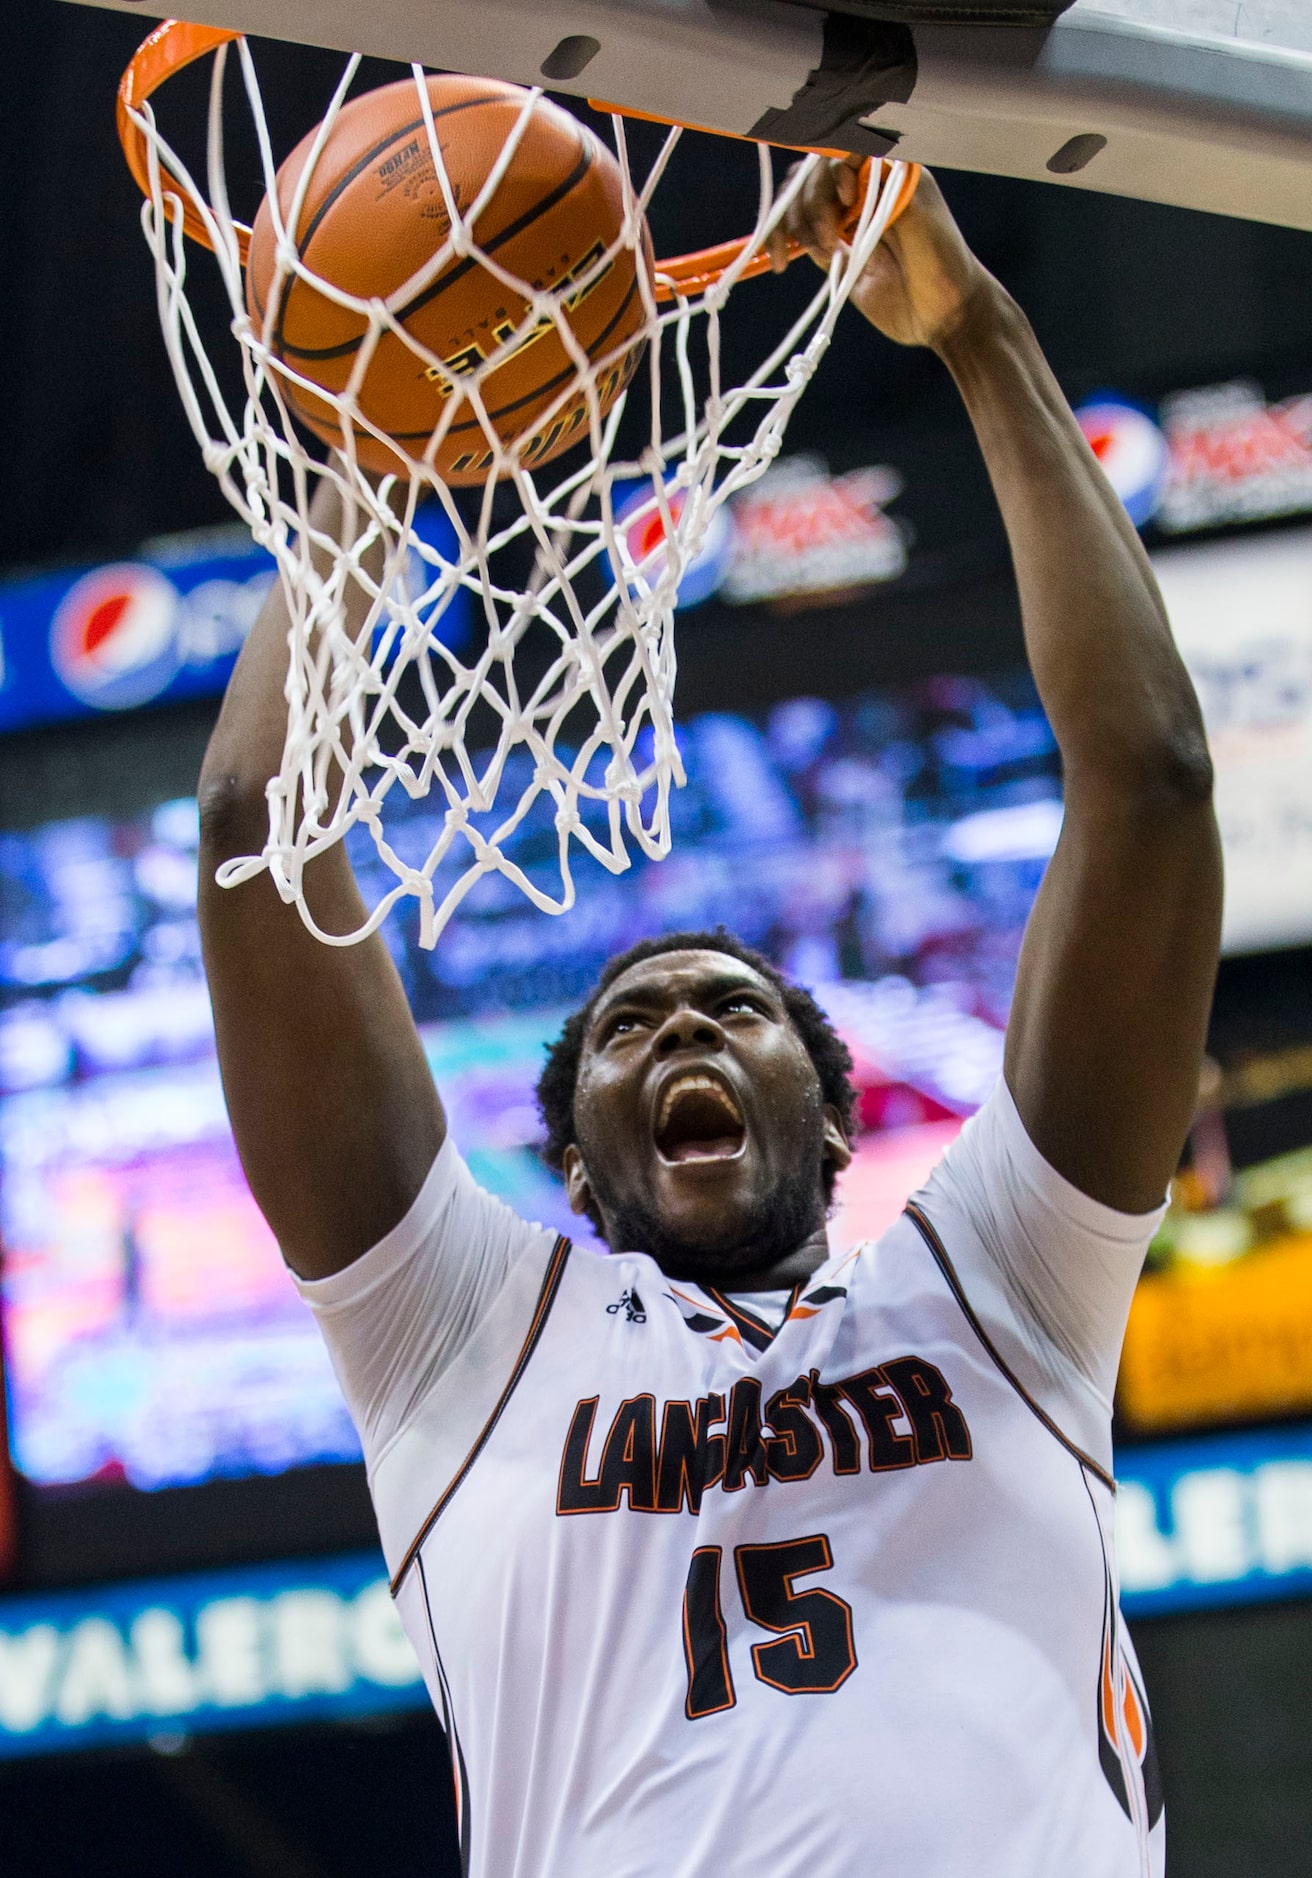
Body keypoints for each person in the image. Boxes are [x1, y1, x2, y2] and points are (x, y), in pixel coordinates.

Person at [197, 165, 1221, 1877]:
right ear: (578, 1179)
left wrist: (978, 332)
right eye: (628, 1028)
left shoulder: (1000, 1287)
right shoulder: (464, 1338)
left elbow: (1153, 781)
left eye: (732, 1008)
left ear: (831, 1122)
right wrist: (380, 444)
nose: (679, 1031)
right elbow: (258, 831)